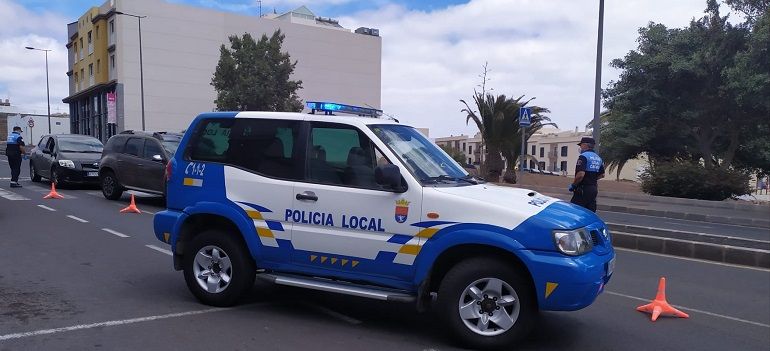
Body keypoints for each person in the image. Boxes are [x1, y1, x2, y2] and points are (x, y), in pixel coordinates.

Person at [569, 137, 604, 212]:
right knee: (590, 212)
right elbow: (602, 175)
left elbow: (581, 174)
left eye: (581, 145)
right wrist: (592, 179)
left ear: (585, 145)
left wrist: (574, 185)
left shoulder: (583, 156)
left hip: (582, 189)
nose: (580, 147)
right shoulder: (598, 158)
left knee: (575, 211)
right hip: (593, 189)